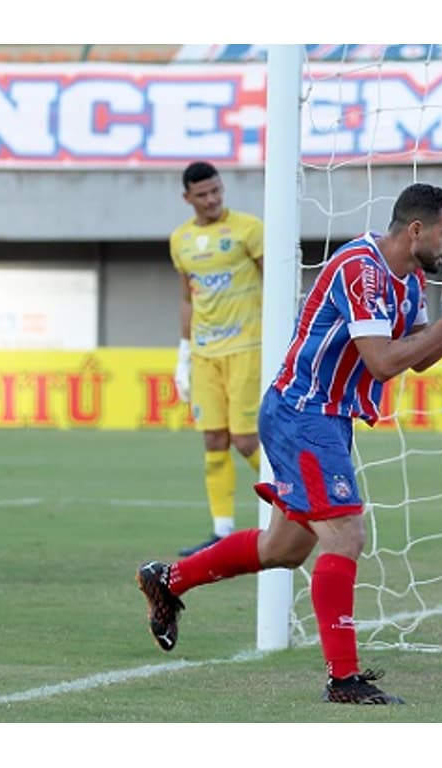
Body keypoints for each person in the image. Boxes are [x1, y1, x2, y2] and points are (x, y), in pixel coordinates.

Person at [137, 182, 442, 704]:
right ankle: (344, 679)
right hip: (303, 412)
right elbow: (383, 363)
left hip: (326, 418)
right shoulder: (361, 269)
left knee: (283, 549)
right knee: (345, 534)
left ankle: (168, 580)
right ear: (416, 229)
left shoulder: (408, 282)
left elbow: (419, 356)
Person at [169, 161, 265, 556]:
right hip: (206, 352)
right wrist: (184, 352)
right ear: (187, 198)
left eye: (216, 191)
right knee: (213, 438)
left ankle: (297, 504)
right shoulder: (180, 240)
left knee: (245, 439)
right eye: (202, 195)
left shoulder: (249, 230)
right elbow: (188, 297)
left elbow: (276, 280)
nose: (211, 200)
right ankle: (222, 530)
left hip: (246, 346)